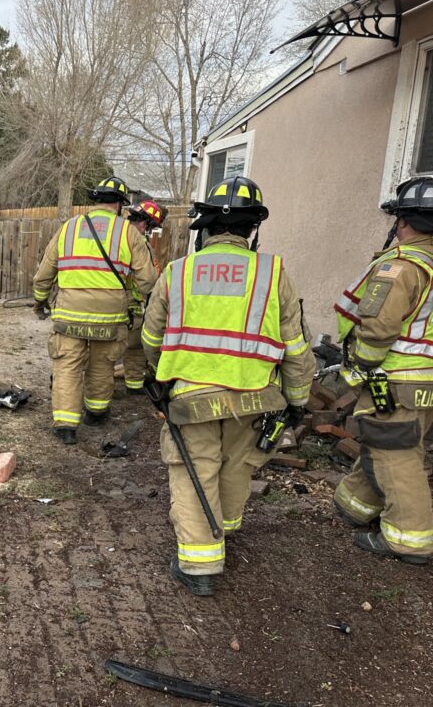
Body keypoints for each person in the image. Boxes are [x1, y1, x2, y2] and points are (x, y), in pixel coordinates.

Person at [142, 176, 314, 595]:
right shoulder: (274, 274)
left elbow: (150, 337)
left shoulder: (178, 272)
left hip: (191, 398)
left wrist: (160, 376)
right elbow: (296, 348)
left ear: (205, 229)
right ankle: (223, 529)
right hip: (256, 396)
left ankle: (200, 564)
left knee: (194, 470)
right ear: (252, 229)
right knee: (238, 463)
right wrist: (297, 401)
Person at [332, 176, 433, 565]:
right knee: (389, 445)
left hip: (395, 379)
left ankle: (410, 540)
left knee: (397, 458)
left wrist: (360, 363)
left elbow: (377, 328)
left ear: (404, 222)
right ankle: (354, 507)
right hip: (424, 382)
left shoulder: (401, 267)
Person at [32, 177, 157, 444]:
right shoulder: (128, 232)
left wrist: (40, 301)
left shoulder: (69, 228)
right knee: (102, 363)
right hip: (110, 317)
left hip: (69, 313)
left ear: (95, 201)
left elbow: (44, 273)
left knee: (67, 364)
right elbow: (147, 280)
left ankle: (65, 425)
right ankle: (97, 413)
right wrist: (134, 298)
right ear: (121, 205)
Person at [119, 199, 167, 394]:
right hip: (131, 302)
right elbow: (149, 280)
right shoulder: (138, 242)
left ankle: (131, 384)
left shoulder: (114, 238)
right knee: (135, 345)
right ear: (145, 223)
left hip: (109, 300)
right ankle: (134, 384)